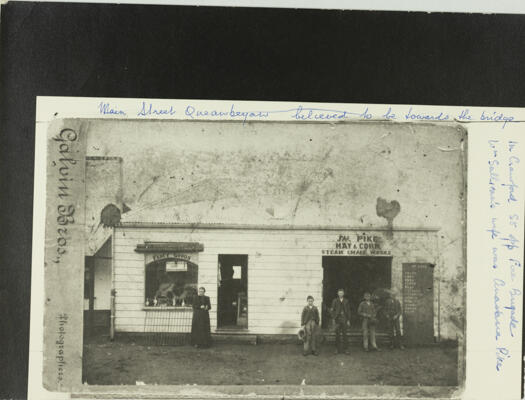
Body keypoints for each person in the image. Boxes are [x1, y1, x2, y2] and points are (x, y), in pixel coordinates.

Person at [330, 288, 351, 354]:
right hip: (337, 320)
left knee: (345, 334)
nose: (340, 294)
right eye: (339, 293)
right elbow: (332, 310)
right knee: (337, 335)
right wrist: (333, 318)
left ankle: (346, 349)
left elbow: (348, 311)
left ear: (343, 294)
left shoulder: (346, 301)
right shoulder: (335, 301)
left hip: (344, 319)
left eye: (342, 293)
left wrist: (348, 320)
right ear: (338, 294)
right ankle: (337, 349)